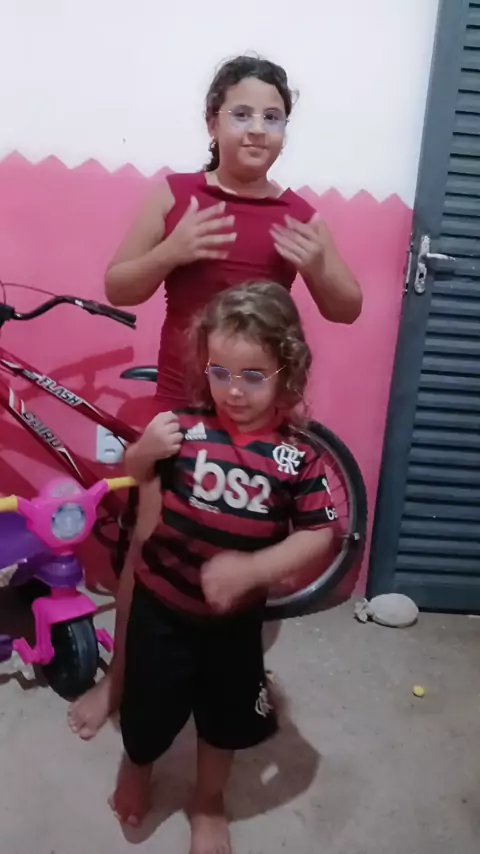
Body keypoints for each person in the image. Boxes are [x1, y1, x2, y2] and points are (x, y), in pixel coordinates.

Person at [68, 53, 362, 739]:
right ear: (213, 121)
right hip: (179, 410)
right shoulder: (175, 196)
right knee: (148, 550)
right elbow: (118, 286)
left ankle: (227, 696)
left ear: (285, 130)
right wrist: (171, 252)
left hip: (255, 423)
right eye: (242, 113)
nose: (257, 128)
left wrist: (319, 265)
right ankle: (119, 685)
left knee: (239, 556)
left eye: (273, 117)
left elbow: (347, 307)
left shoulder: (299, 215)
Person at [110, 282, 338, 853]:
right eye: (220, 372)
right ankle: (137, 766)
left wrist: (254, 569)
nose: (233, 390)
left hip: (234, 622)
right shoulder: (183, 428)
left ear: (286, 373)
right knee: (145, 708)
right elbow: (133, 475)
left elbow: (321, 534)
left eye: (253, 376)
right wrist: (143, 451)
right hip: (161, 607)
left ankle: (209, 801)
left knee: (225, 722)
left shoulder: (298, 456)